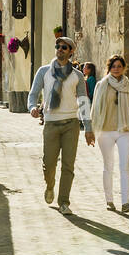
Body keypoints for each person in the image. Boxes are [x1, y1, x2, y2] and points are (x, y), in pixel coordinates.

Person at [27, 36, 86, 214]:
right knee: (49, 163)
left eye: (64, 47)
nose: (60, 49)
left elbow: (83, 100)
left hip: (71, 124)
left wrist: (88, 127)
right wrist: (32, 107)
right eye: (58, 46)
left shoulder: (78, 75)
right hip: (51, 124)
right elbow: (33, 94)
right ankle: (50, 185)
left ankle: (64, 202)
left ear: (71, 51)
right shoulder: (44, 71)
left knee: (68, 165)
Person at [85, 54, 129, 213]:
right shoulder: (101, 84)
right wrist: (90, 131)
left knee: (124, 167)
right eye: (114, 66)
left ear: (124, 67)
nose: (117, 69)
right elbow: (94, 109)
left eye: (119, 66)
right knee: (108, 166)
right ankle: (109, 200)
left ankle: (126, 203)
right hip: (105, 130)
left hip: (125, 130)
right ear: (109, 68)